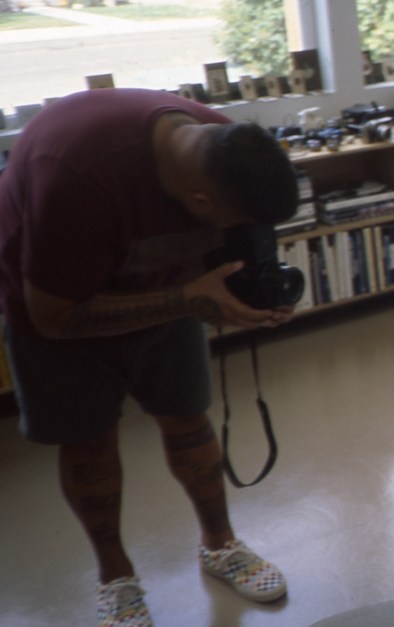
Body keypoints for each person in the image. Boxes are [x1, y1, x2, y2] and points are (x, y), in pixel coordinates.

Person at [0, 88, 299, 626]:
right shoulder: (75, 178)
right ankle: (115, 576)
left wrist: (252, 295)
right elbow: (53, 317)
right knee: (89, 441)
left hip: (169, 290)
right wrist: (184, 300)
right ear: (201, 204)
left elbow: (230, 258)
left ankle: (220, 545)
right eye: (229, 225)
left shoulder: (226, 150)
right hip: (57, 306)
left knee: (188, 419)